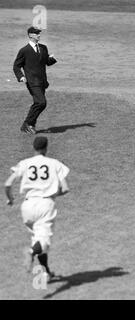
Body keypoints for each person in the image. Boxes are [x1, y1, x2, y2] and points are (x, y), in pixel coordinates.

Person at [4, 136, 70, 281]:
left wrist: (10, 199)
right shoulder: (55, 163)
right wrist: (53, 194)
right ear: (46, 148)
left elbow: (8, 184)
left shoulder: (25, 163)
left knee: (38, 240)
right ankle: (30, 253)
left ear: (33, 147)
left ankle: (45, 272)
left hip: (27, 206)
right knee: (43, 241)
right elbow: (65, 188)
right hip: (45, 206)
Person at [13, 26, 58, 134]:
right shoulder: (24, 51)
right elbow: (16, 66)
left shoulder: (43, 47)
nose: (39, 35)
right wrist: (21, 77)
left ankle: (30, 125)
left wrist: (52, 59)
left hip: (42, 81)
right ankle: (27, 123)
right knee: (41, 102)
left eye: (39, 33)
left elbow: (46, 62)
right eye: (37, 33)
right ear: (30, 35)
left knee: (38, 103)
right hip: (32, 82)